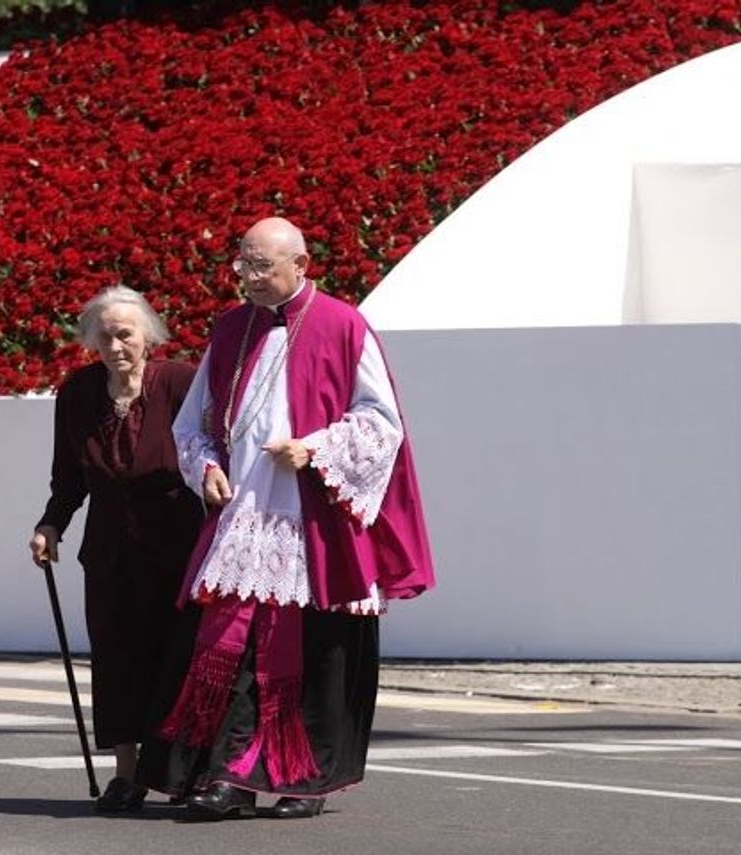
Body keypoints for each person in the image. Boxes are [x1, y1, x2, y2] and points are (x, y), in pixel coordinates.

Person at [136, 216, 436, 820]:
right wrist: (206, 468)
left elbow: (382, 423)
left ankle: (304, 782)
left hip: (311, 524)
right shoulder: (230, 330)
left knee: (306, 655)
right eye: (243, 265)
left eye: (261, 266)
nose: (248, 278)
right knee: (230, 647)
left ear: (300, 265)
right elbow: (190, 424)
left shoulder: (342, 326)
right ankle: (228, 779)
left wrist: (315, 449)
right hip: (244, 516)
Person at [29, 285, 203, 813]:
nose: (114, 345)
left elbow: (212, 455)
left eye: (124, 333)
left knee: (178, 658)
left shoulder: (181, 382)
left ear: (148, 334)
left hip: (176, 546)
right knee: (116, 660)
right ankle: (127, 776)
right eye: (103, 336)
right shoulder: (78, 393)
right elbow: (68, 477)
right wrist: (51, 525)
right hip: (109, 554)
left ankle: (182, 773)